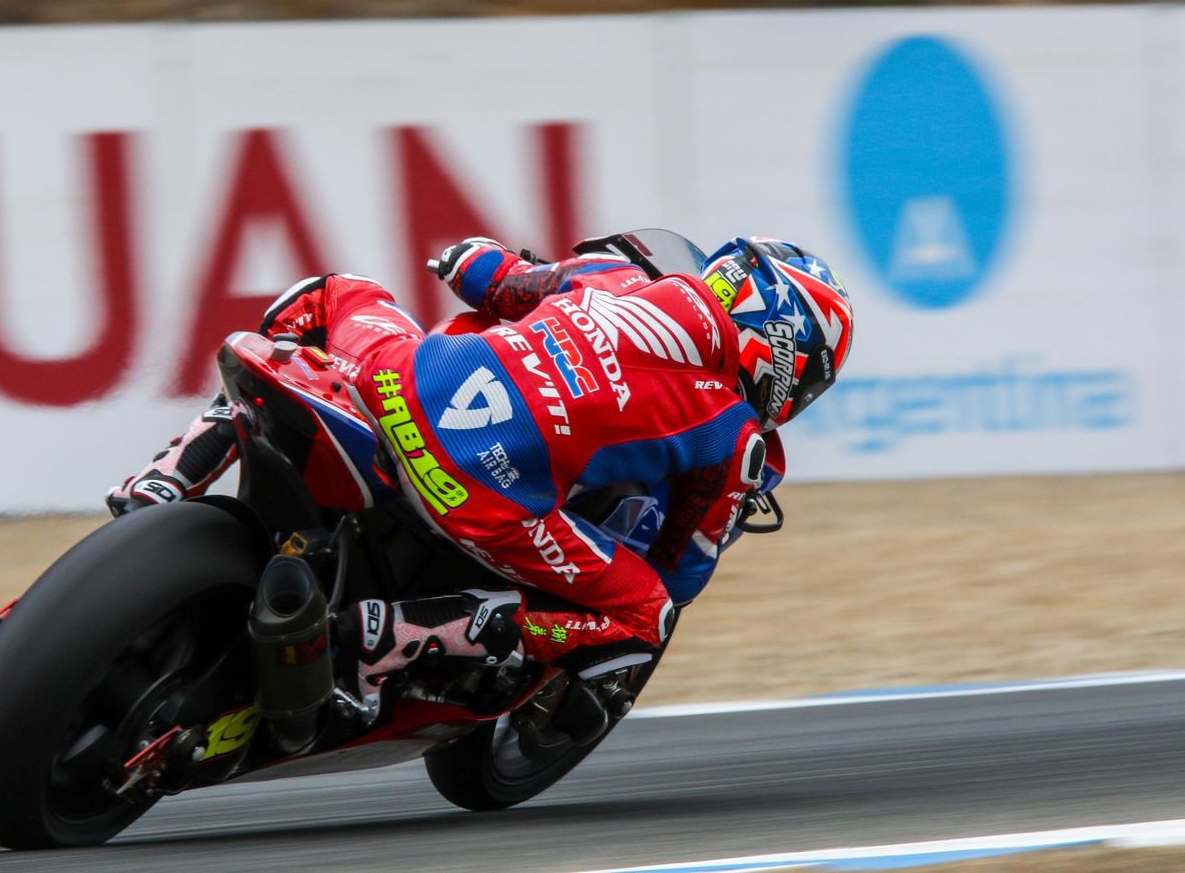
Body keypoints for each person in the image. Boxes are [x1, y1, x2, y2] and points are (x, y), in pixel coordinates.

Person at [109, 234, 853, 726]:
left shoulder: (610, 276)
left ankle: (164, 481)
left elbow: (481, 273)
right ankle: (388, 638)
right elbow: (683, 572)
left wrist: (478, 258)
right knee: (642, 617)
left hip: (396, 387)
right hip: (479, 493)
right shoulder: (736, 436)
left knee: (337, 295)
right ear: (784, 354)